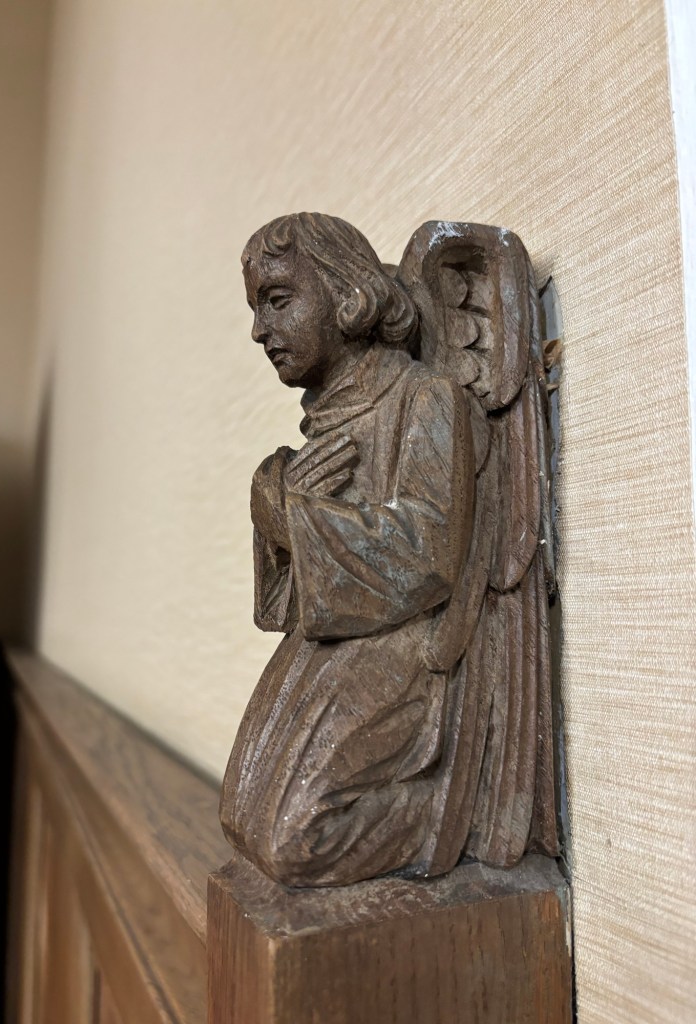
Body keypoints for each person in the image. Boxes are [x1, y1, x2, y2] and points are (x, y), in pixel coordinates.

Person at [220, 212, 557, 886]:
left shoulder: (428, 399)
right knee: (240, 816)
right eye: (257, 307)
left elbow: (426, 556)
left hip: (408, 650)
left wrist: (294, 519)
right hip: (336, 644)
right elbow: (294, 588)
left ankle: (452, 810)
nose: (260, 329)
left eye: (279, 300)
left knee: (293, 841)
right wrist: (274, 503)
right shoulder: (329, 422)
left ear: (349, 296)